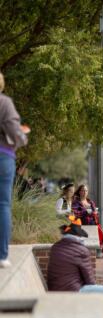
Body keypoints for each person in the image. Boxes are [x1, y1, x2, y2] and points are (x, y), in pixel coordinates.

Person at [47, 218, 103, 318]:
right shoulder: (81, 250)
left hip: (54, 290)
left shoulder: (55, 247)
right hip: (72, 291)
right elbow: (90, 280)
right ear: (79, 237)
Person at [0, 72, 29, 268]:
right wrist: (22, 137)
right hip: (3, 156)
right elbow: (15, 133)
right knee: (2, 205)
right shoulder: (4, 103)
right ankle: (1, 256)